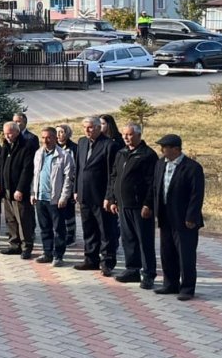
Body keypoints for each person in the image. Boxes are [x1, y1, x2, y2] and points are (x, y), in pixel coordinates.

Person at [151, 134, 203, 301]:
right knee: (167, 252)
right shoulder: (160, 164)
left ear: (176, 149)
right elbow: (155, 187)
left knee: (185, 254)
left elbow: (197, 195)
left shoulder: (192, 167)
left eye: (165, 147)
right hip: (165, 216)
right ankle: (170, 283)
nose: (162, 150)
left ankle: (187, 288)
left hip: (184, 219)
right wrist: (150, 207)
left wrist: (191, 216)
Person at [107, 124, 158, 288]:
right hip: (123, 205)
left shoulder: (148, 155)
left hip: (140, 206)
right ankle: (132, 270)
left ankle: (148, 274)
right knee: (128, 239)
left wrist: (148, 204)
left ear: (138, 135)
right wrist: (112, 198)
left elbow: (152, 184)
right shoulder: (121, 153)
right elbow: (114, 177)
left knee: (144, 241)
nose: (126, 138)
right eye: (124, 135)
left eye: (129, 135)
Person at [75, 117, 119, 276]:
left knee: (106, 231)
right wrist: (76, 190)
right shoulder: (81, 143)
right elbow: (79, 168)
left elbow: (111, 174)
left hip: (101, 197)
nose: (87, 130)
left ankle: (107, 262)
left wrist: (110, 196)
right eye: (85, 127)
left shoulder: (109, 145)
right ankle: (90, 259)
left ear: (99, 128)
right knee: (89, 229)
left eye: (91, 127)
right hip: (84, 194)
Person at [31, 127, 75, 266]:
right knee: (44, 227)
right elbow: (35, 175)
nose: (46, 140)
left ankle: (58, 255)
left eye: (49, 137)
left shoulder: (64, 155)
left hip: (55, 199)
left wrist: (64, 197)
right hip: (40, 197)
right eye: (43, 137)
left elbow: (69, 178)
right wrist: (33, 193)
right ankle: (47, 252)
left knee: (58, 229)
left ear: (55, 138)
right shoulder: (38, 153)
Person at [0, 121, 38, 259]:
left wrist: (20, 189)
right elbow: (1, 166)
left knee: (23, 220)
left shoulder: (26, 146)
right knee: (10, 219)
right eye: (5, 133)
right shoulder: (6, 145)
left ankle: (26, 247)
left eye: (10, 133)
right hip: (7, 189)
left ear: (17, 132)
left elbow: (27, 170)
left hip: (19, 191)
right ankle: (14, 244)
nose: (7, 136)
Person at [56, 124, 78, 246]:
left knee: (69, 211)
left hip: (69, 182)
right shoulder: (54, 147)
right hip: (56, 183)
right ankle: (60, 233)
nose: (59, 135)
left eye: (61, 132)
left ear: (67, 133)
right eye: (57, 132)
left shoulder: (74, 148)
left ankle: (71, 234)